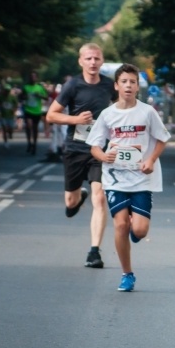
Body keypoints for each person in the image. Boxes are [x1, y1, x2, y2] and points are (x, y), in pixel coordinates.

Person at [87, 64, 170, 292]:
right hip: (115, 178)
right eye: (124, 81)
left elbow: (162, 138)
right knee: (121, 224)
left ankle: (136, 231)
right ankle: (127, 274)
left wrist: (151, 160)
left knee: (140, 231)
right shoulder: (108, 114)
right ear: (116, 85)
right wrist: (104, 156)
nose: (128, 86)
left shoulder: (147, 112)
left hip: (142, 179)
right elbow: (94, 146)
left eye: (132, 82)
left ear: (137, 86)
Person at [47, 43, 117, 268]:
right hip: (75, 148)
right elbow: (51, 115)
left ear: (102, 60)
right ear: (81, 61)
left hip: (100, 149)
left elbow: (122, 108)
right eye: (88, 58)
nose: (93, 62)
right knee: (70, 202)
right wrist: (75, 119)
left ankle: (94, 252)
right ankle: (78, 198)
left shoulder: (109, 85)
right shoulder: (72, 85)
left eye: (96, 58)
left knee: (100, 198)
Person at [20, 72, 47, 155]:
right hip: (28, 110)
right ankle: (29, 142)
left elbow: (46, 97)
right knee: (28, 126)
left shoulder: (40, 87)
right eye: (31, 77)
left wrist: (39, 96)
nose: (33, 78)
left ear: (36, 78)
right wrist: (25, 97)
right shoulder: (26, 87)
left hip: (37, 111)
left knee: (35, 128)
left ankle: (34, 144)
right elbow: (20, 97)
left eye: (34, 77)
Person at [0, 82, 17, 148]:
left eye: (8, 90)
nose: (7, 92)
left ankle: (10, 133)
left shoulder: (12, 97)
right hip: (3, 115)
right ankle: (5, 142)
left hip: (10, 116)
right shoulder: (0, 97)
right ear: (4, 90)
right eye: (6, 90)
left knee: (10, 128)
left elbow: (16, 105)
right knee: (4, 128)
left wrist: (14, 110)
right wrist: (0, 107)